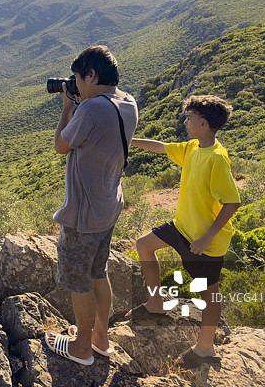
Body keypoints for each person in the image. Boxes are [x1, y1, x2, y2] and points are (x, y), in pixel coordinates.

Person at [129, 94, 241, 368]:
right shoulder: (192, 147)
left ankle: (205, 347)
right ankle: (155, 305)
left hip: (203, 240)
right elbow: (161, 147)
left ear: (203, 123)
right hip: (181, 227)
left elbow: (233, 201)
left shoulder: (216, 158)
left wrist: (207, 237)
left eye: (189, 118)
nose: (185, 121)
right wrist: (129, 139)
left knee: (208, 292)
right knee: (144, 245)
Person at [45, 45, 138, 366]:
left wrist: (67, 107)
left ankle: (81, 347)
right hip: (108, 204)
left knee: (77, 280)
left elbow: (61, 145)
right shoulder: (128, 103)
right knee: (98, 272)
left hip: (83, 214)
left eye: (77, 78)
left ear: (92, 75)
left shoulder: (91, 109)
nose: (74, 84)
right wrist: (80, 99)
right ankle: (101, 337)